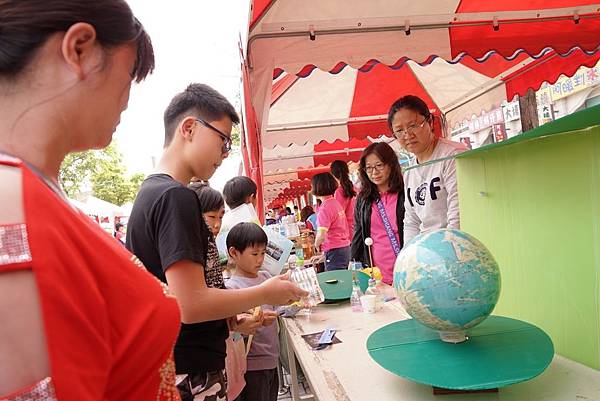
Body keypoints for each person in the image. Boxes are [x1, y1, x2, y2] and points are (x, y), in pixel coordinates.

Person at [0, 2, 182, 400]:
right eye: (130, 73)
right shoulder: (11, 210)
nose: (127, 100)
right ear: (79, 49)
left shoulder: (34, 193)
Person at [126, 83, 306, 401]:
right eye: (222, 140)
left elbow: (173, 294)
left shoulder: (150, 194)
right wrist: (266, 291)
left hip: (177, 363)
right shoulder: (175, 197)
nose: (225, 154)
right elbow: (190, 304)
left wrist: (231, 321)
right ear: (190, 128)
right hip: (192, 372)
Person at [188, 182, 258, 400]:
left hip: (221, 354)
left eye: (221, 217)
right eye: (211, 217)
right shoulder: (192, 254)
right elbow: (202, 302)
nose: (217, 225)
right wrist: (264, 294)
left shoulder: (208, 248)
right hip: (203, 360)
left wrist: (236, 321)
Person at [388, 95, 467, 243]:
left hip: (456, 246)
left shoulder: (452, 155)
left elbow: (459, 213)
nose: (407, 135)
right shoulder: (410, 171)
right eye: (399, 131)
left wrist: (449, 250)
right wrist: (408, 255)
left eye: (413, 126)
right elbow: (411, 220)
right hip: (428, 252)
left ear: (430, 122)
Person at [225, 223, 281, 401]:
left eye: (263, 253)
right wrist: (254, 321)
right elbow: (234, 328)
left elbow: (278, 305)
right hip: (251, 365)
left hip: (272, 359)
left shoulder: (265, 278)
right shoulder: (232, 288)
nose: (260, 259)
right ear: (234, 253)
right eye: (254, 254)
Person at [351, 143, 404, 285]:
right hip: (378, 272)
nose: (374, 172)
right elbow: (358, 232)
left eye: (379, 165)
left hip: (406, 267)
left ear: (391, 164)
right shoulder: (363, 199)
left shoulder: (405, 193)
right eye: (368, 168)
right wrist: (353, 266)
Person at [312, 173, 351, 271]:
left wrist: (315, 246)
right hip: (344, 248)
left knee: (335, 282)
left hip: (334, 250)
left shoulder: (324, 208)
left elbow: (321, 234)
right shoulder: (335, 203)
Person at [330, 160, 356, 240]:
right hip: (357, 227)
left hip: (346, 231)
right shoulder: (354, 188)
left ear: (333, 174)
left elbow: (338, 213)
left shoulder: (340, 191)